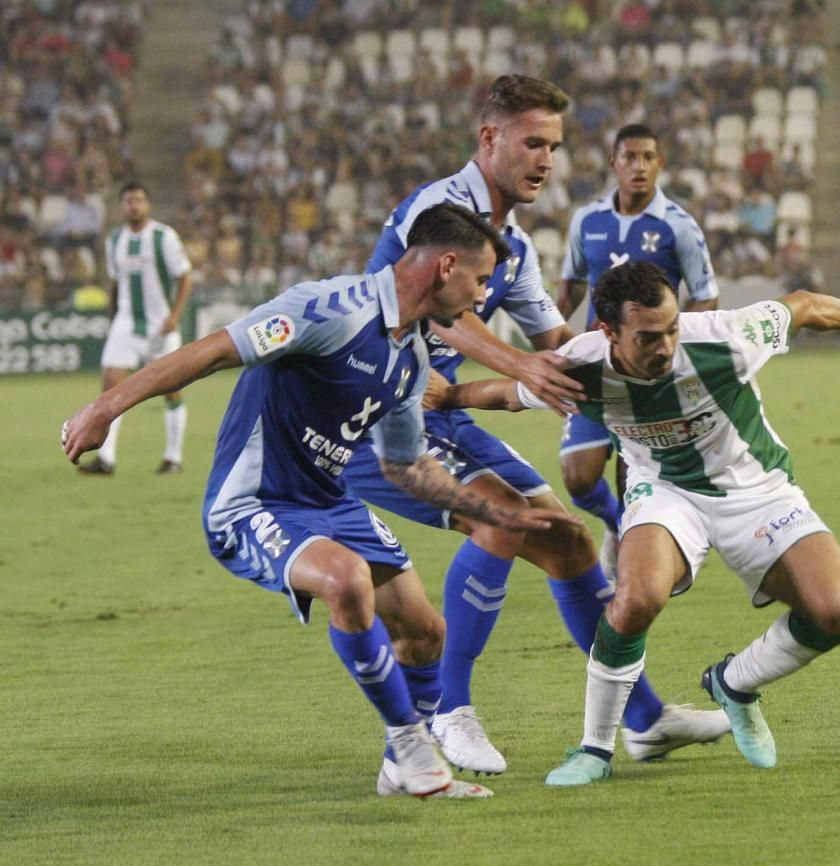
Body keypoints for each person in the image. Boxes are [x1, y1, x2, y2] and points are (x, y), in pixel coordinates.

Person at [62, 203, 578, 800]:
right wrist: (105, 408)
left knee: (423, 631)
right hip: (254, 502)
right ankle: (414, 751)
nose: (483, 296)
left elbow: (405, 465)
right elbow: (211, 352)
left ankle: (397, 767)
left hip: (329, 502)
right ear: (446, 266)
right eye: (481, 280)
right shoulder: (328, 309)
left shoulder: (410, 360)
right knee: (345, 580)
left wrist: (494, 513)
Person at [341, 77, 729, 776]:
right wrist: (522, 365)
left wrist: (638, 371)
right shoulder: (439, 209)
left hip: (435, 409)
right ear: (489, 139)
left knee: (568, 541)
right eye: (533, 142)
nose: (547, 159)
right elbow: (438, 313)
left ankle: (642, 719)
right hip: (368, 412)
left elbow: (554, 340)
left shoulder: (513, 245)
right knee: (504, 519)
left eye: (554, 145)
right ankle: (448, 712)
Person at [437, 261, 840, 785]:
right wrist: (449, 395)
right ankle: (594, 750)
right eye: (649, 337)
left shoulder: (727, 339)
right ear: (607, 331)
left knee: (837, 612)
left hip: (758, 492)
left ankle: (734, 684)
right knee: (635, 598)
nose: (666, 345)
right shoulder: (580, 366)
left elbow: (804, 304)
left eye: (672, 329)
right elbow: (511, 396)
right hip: (666, 492)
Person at [556, 123, 720, 575]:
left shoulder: (679, 226)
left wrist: (672, 347)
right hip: (594, 368)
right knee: (578, 476)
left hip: (650, 375)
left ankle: (636, 555)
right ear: (614, 163)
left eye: (648, 157)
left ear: (660, 164)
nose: (639, 166)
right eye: (630, 156)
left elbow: (706, 294)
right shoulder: (587, 220)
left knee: (637, 478)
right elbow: (568, 286)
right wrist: (552, 341)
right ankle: (615, 525)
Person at [78, 181, 194, 476]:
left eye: (139, 200)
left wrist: (175, 316)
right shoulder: (114, 240)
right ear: (122, 206)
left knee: (171, 391)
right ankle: (106, 460)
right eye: (129, 201)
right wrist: (114, 316)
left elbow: (184, 277)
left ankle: (173, 457)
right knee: (110, 391)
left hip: (160, 326)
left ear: (148, 205)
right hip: (127, 324)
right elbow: (116, 282)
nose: (134, 205)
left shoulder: (163, 237)